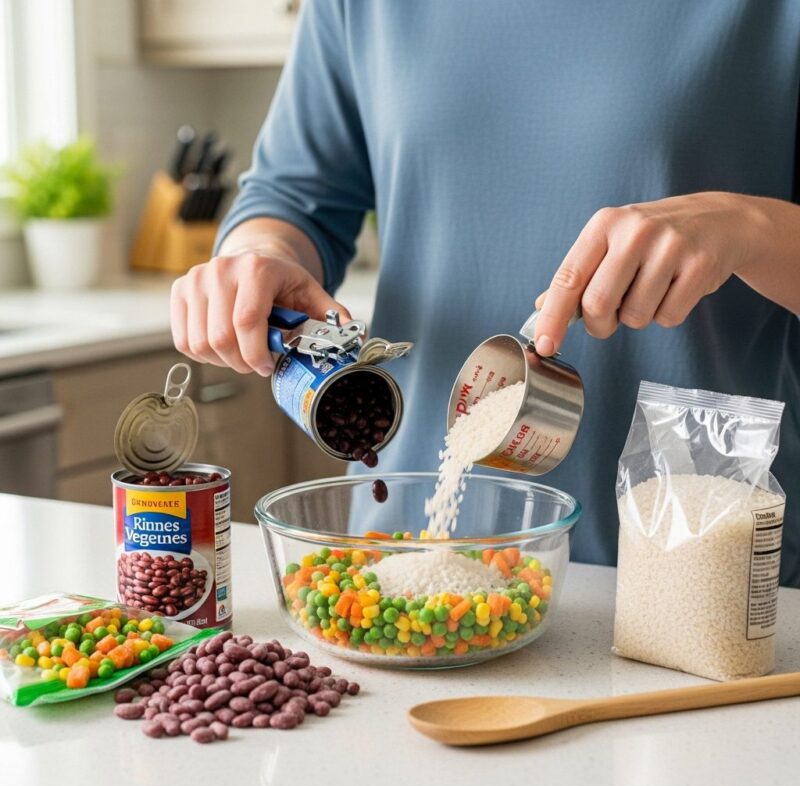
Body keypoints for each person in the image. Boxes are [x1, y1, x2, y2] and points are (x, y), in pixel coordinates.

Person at [170, 2, 800, 585]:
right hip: (405, 568)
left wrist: (749, 226)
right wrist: (256, 258)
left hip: (705, 579)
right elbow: (291, 199)